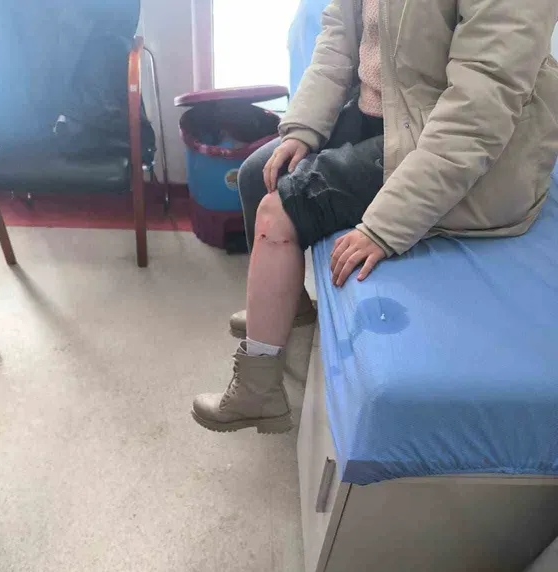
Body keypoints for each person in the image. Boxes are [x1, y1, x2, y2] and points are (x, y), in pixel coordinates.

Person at [192, 0, 558, 435]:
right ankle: (289, 309)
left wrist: (388, 224)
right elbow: (339, 39)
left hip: (447, 144)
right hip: (386, 115)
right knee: (259, 175)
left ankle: (259, 395)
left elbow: (478, 114)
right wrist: (304, 126)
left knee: (278, 213)